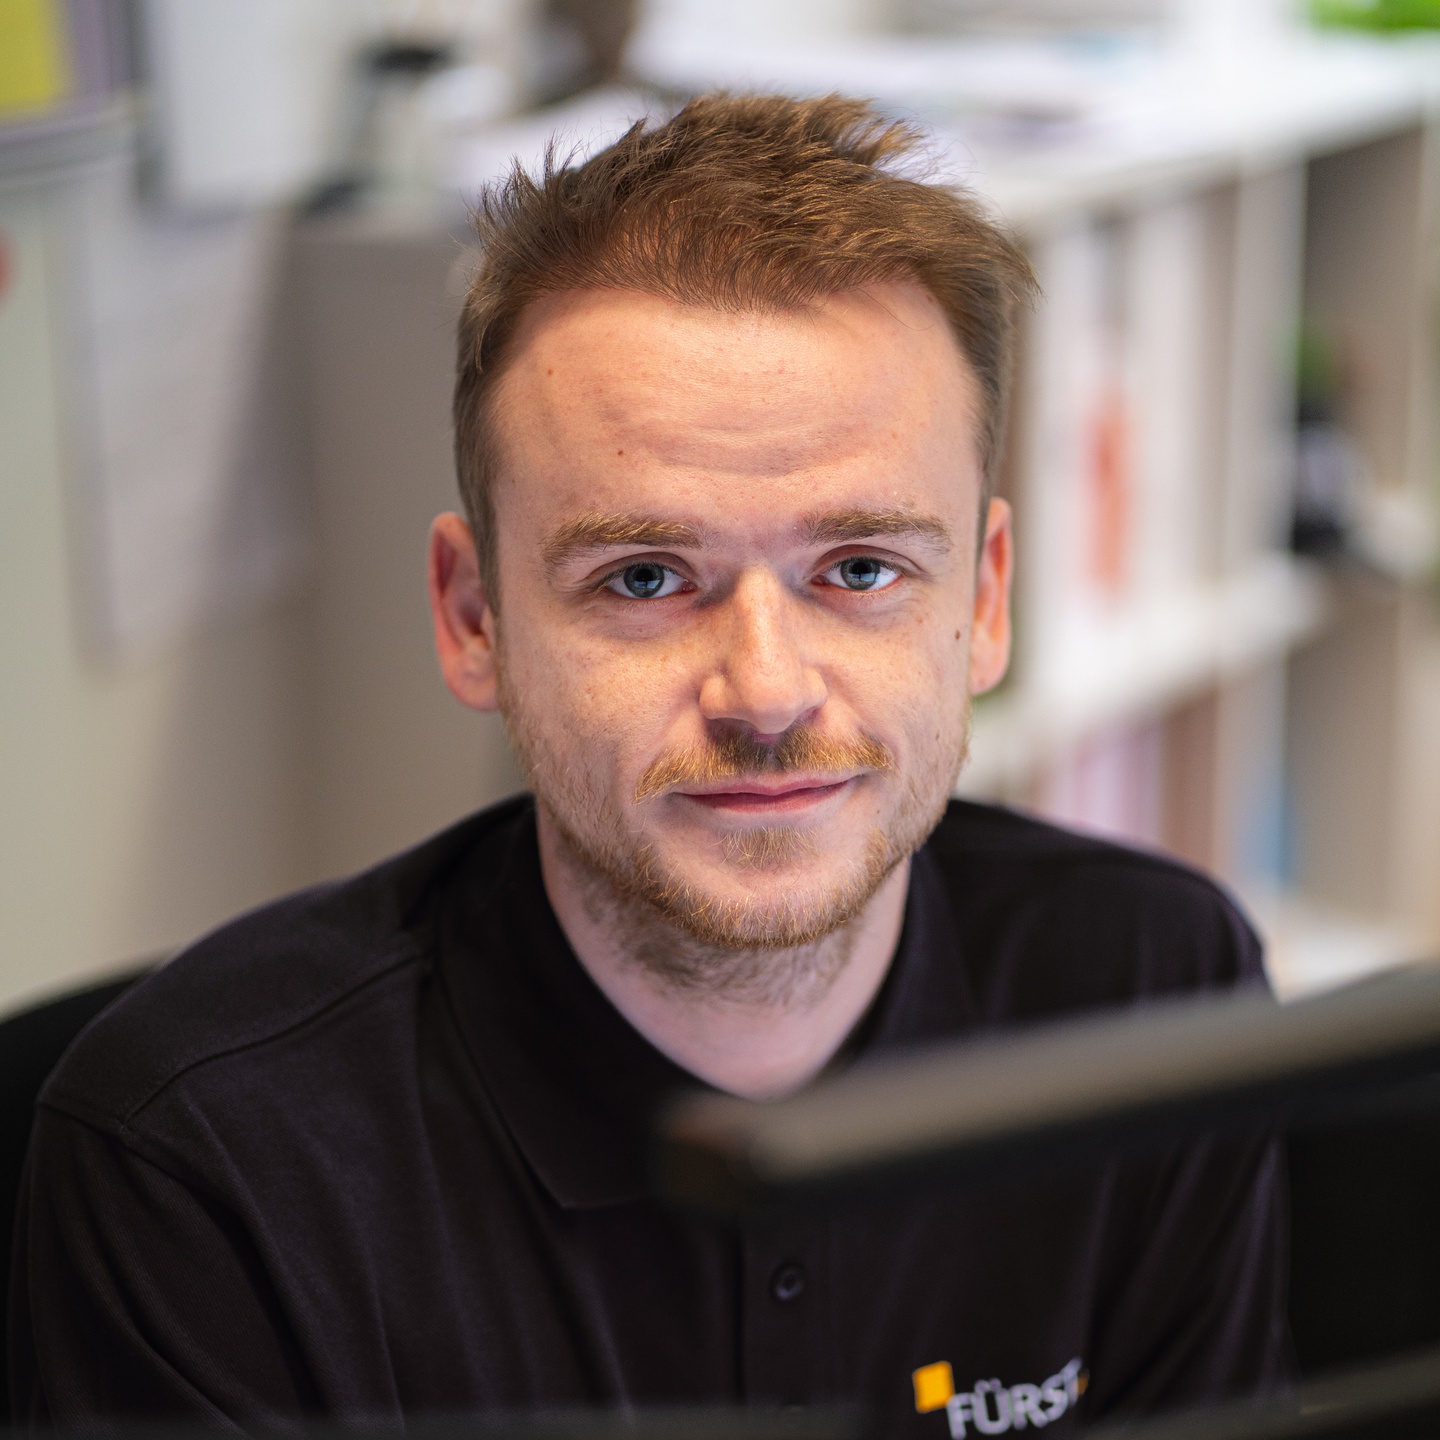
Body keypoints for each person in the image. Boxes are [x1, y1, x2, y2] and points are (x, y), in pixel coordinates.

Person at [9, 94, 1288, 1435]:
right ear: (474, 618)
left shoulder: (1156, 997)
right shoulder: (205, 1163)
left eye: (861, 569)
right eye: (644, 578)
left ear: (984, 599)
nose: (767, 693)